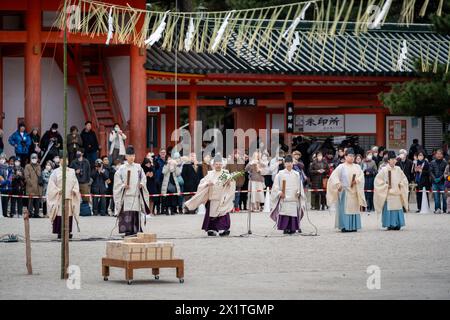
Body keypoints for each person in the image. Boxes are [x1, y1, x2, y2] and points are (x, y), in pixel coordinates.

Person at [185, 154, 236, 237]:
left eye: (220, 164)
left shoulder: (225, 173)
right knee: (212, 215)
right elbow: (202, 182)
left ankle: (223, 229)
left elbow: (232, 183)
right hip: (213, 198)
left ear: (222, 165)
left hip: (222, 198)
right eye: (217, 164)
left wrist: (229, 182)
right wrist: (207, 183)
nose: (218, 166)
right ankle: (212, 229)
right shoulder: (210, 174)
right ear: (213, 164)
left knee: (223, 214)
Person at [326, 148, 366, 232]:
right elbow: (333, 177)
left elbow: (361, 176)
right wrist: (338, 184)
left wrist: (357, 180)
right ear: (345, 156)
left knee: (354, 208)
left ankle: (353, 226)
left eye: (353, 156)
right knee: (344, 209)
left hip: (354, 190)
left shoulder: (357, 167)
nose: (351, 158)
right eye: (350, 156)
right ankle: (344, 226)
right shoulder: (341, 167)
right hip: (345, 191)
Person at [113, 145, 150, 236]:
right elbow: (117, 181)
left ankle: (136, 230)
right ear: (126, 156)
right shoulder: (121, 169)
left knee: (135, 213)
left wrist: (141, 184)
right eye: (130, 156)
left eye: (133, 156)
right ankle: (127, 231)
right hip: (126, 196)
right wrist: (123, 185)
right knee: (126, 214)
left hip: (135, 195)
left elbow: (143, 178)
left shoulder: (138, 168)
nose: (132, 158)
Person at [270, 155, 306, 234]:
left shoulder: (296, 174)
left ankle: (293, 227)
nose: (289, 164)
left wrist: (299, 192)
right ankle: (285, 227)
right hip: (284, 198)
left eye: (290, 162)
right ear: (284, 164)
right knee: (285, 212)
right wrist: (279, 193)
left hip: (294, 198)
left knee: (293, 212)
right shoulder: (280, 174)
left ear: (293, 163)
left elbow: (300, 186)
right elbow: (275, 187)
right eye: (287, 162)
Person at [46, 157, 80, 239]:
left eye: (67, 159)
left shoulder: (72, 171)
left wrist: (75, 190)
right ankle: (60, 231)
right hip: (59, 196)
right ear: (60, 161)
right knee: (60, 213)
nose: (65, 161)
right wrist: (57, 190)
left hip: (69, 196)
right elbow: (51, 184)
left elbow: (75, 182)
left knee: (69, 213)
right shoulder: (55, 172)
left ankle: (68, 231)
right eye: (63, 159)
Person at [374, 151, 408, 230]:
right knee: (389, 208)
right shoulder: (384, 170)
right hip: (388, 194)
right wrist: (385, 186)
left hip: (397, 193)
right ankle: (389, 224)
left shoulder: (398, 169)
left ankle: (397, 224)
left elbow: (404, 179)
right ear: (388, 160)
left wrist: (401, 184)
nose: (393, 161)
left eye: (394, 159)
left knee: (397, 208)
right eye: (392, 159)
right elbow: (377, 180)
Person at [24, 153, 43, 218]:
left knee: (37, 201)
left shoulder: (39, 166)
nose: (34, 159)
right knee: (30, 201)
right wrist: (31, 183)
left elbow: (40, 175)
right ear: (30, 158)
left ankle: (36, 214)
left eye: (35, 158)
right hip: (30, 187)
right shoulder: (27, 166)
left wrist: (38, 169)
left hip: (38, 187)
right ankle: (30, 213)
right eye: (33, 158)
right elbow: (26, 176)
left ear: (37, 159)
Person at [430, 149, 447, 214]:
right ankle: (437, 209)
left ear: (442, 155)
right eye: (437, 154)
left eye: (440, 154)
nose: (439, 155)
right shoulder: (432, 162)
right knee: (436, 198)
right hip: (435, 183)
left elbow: (445, 172)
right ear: (435, 155)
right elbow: (430, 171)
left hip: (443, 182)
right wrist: (434, 178)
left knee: (444, 197)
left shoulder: (445, 163)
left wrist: (440, 178)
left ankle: (445, 210)